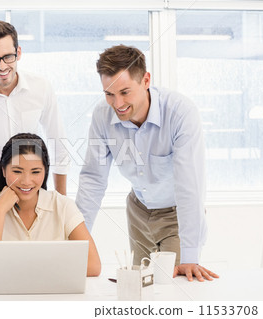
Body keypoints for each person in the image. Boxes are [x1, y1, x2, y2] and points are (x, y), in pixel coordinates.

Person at [76, 44, 219, 282]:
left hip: (175, 215)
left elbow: (189, 185)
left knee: (171, 286)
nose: (117, 103)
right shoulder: (103, 115)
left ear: (145, 80)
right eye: (109, 94)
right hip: (138, 210)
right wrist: (77, 240)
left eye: (124, 92)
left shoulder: (180, 113)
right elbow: (93, 178)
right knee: (138, 287)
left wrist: (190, 256)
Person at [0, 133, 101, 277]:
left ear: (45, 172)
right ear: (3, 171)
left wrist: (25, 271)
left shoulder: (62, 206)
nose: (26, 181)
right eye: (17, 171)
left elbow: (93, 266)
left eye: (35, 172)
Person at [0, 20, 69, 198]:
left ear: (18, 52)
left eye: (8, 57)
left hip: (32, 190)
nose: (2, 66)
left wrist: (62, 203)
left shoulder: (40, 87)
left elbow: (57, 141)